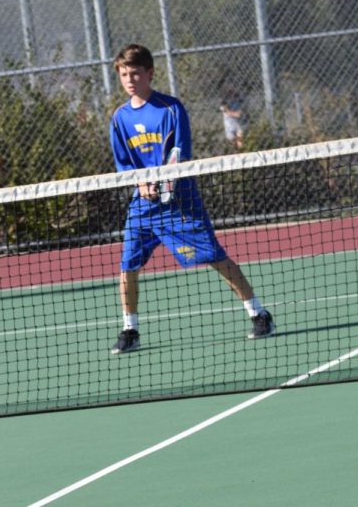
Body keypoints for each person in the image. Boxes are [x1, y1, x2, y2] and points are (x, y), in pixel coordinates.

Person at [108, 44, 274, 354]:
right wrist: (141, 183)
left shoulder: (171, 109)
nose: (130, 80)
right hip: (142, 206)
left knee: (214, 257)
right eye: (124, 75)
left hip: (179, 202)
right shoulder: (119, 118)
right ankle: (130, 329)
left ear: (149, 73)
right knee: (127, 266)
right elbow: (123, 163)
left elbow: (179, 153)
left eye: (135, 74)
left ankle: (259, 313)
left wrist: (163, 181)